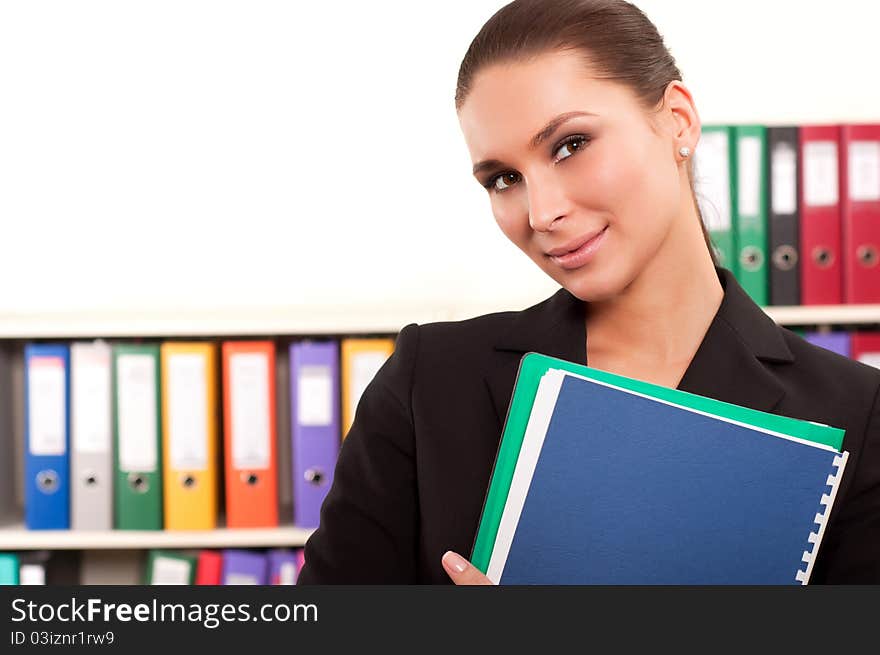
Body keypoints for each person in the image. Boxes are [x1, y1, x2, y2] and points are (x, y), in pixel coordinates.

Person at [297, 0, 880, 584]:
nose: (542, 211)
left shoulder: (857, 414)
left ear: (677, 119)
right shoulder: (428, 383)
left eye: (570, 145)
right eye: (504, 179)